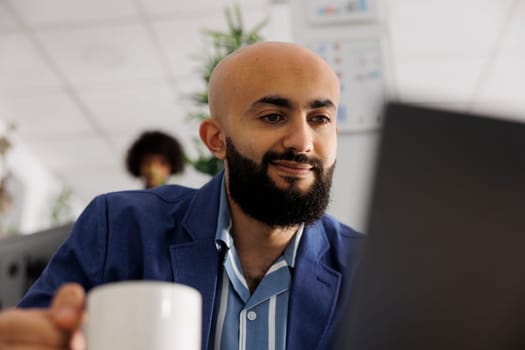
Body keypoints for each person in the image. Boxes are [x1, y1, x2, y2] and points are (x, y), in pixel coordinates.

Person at [0, 41, 364, 350]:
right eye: (272, 116)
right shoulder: (119, 227)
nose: (302, 142)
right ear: (216, 140)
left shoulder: (367, 267)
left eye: (319, 119)